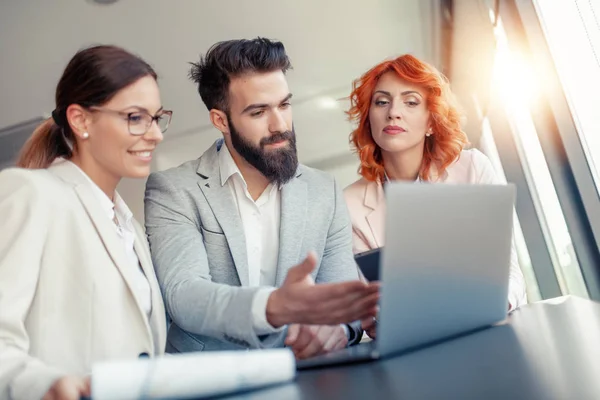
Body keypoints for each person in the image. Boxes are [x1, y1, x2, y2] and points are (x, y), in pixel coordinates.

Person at [144, 38, 379, 360]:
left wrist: (336, 330)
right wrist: (274, 306)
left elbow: (345, 299)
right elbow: (184, 296)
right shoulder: (173, 189)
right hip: (209, 378)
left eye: (284, 105)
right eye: (258, 112)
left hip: (306, 375)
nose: (280, 125)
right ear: (220, 120)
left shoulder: (324, 191)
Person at [0, 45, 172, 400]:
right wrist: (44, 385)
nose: (155, 134)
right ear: (80, 121)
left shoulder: (131, 229)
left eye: (157, 117)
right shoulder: (31, 193)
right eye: (135, 117)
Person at [343, 54, 527, 337]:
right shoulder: (348, 204)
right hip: (411, 343)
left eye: (411, 101)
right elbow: (367, 304)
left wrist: (489, 305)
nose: (393, 112)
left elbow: (509, 274)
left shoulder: (472, 168)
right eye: (381, 102)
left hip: (488, 331)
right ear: (369, 119)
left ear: (431, 122)